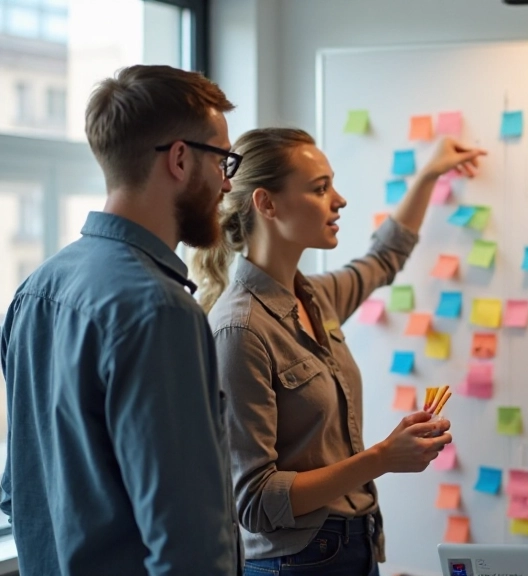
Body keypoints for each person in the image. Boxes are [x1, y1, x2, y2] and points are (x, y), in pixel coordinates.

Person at [193, 128, 484, 576]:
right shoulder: (239, 329)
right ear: (266, 204)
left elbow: (384, 257)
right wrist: (382, 458)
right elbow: (254, 502)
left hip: (356, 544)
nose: (340, 200)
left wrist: (429, 174)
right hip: (297, 562)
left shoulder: (316, 297)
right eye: (320, 188)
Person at [0, 65, 238, 575]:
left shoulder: (35, 290)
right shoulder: (160, 311)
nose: (226, 182)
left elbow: (19, 493)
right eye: (222, 160)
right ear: (179, 159)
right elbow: (189, 550)